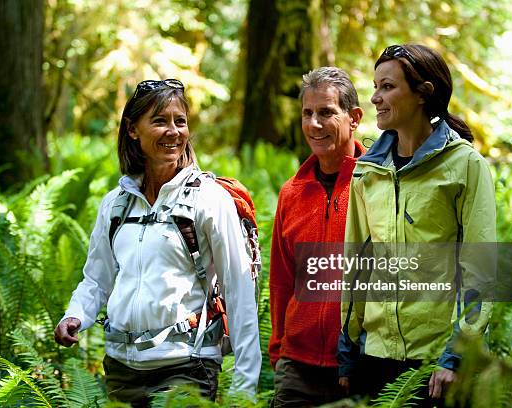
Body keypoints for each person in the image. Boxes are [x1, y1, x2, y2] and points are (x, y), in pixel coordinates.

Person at [54, 79, 261, 406]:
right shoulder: (116, 204)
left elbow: (239, 292)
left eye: (180, 121)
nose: (174, 131)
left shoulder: (209, 200)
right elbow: (97, 278)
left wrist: (244, 390)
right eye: (160, 121)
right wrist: (75, 314)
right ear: (133, 130)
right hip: (121, 371)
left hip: (187, 367)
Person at [338, 44, 496, 405]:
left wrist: (455, 356)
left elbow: (481, 271)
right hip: (374, 357)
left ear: (423, 93)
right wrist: (348, 348)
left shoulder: (466, 166)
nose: (376, 97)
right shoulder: (367, 172)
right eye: (375, 86)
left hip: (438, 363)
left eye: (388, 87)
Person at [269, 67, 365, 407]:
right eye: (307, 114)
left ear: (354, 118)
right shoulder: (291, 194)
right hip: (298, 367)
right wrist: (279, 350)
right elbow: (281, 280)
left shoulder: (377, 185)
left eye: (326, 112)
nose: (314, 124)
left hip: (361, 365)